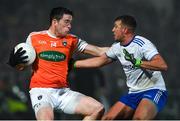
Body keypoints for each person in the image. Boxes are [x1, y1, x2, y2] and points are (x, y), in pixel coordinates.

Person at [7, 6, 109, 120]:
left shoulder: (72, 40)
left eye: (70, 22)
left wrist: (122, 49)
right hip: (41, 91)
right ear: (55, 22)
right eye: (66, 22)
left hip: (63, 92)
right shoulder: (34, 37)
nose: (69, 26)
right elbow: (22, 66)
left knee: (98, 108)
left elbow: (99, 51)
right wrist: (15, 63)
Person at [73, 15, 168, 120]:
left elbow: (162, 65)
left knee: (138, 119)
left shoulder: (142, 44)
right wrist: (73, 64)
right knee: (107, 119)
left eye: (116, 27)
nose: (113, 30)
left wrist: (137, 62)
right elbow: (100, 61)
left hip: (154, 90)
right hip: (133, 93)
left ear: (125, 30)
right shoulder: (117, 47)